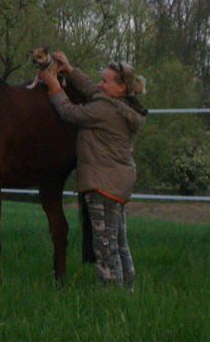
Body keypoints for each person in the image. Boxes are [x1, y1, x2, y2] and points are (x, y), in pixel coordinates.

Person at [38, 51, 147, 290]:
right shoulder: (119, 104)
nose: (100, 83)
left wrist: (55, 86)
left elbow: (69, 113)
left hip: (102, 185)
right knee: (118, 242)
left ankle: (110, 292)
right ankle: (128, 288)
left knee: (105, 245)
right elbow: (91, 90)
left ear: (120, 88)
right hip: (116, 183)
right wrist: (69, 69)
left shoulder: (104, 111)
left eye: (105, 80)